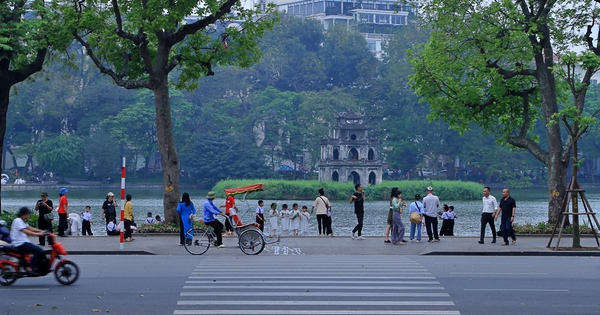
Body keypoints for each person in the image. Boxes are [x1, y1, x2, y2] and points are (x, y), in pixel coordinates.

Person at [10, 207, 46, 274]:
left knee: (36, 250)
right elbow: (25, 230)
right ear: (24, 214)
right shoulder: (17, 220)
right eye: (28, 214)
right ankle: (30, 267)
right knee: (39, 250)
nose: (29, 216)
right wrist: (37, 234)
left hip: (23, 242)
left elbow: (29, 228)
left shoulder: (22, 221)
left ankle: (28, 265)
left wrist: (42, 231)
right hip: (19, 243)